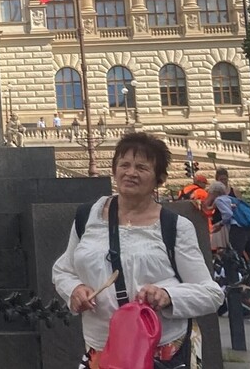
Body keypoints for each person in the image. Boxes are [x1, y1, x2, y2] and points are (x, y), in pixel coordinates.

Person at [53, 133, 224, 367]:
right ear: (114, 170)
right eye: (124, 165)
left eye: (141, 167)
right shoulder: (88, 216)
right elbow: (63, 270)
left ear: (159, 178)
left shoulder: (174, 227)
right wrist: (74, 290)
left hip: (160, 352)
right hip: (102, 351)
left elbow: (212, 294)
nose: (130, 173)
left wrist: (167, 295)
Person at [207, 181, 250, 279]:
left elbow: (228, 214)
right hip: (249, 228)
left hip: (238, 230)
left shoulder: (219, 200)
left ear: (214, 192)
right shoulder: (232, 199)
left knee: (233, 256)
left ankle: (235, 281)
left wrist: (221, 224)